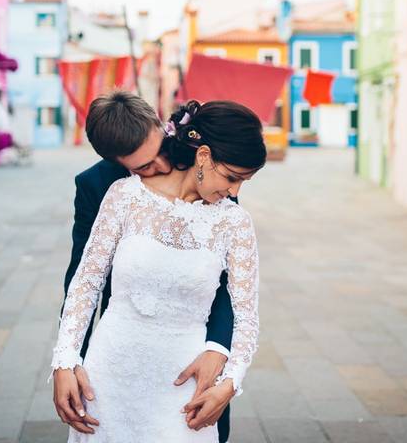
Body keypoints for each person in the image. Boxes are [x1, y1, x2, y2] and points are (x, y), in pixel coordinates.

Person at [53, 96, 263, 441]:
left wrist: (223, 359)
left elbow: (235, 293)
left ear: (162, 129)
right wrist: (66, 360)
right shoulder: (112, 190)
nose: (163, 165)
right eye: (145, 165)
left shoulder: (220, 192)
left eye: (161, 150)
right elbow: (84, 280)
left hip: (186, 369)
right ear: (119, 162)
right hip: (115, 363)